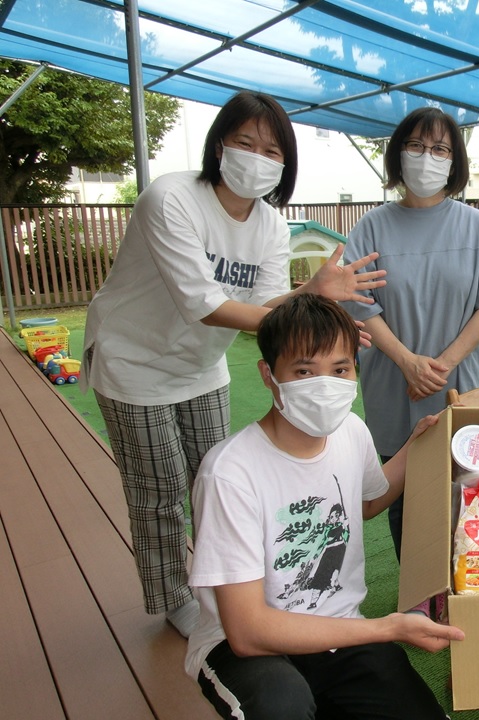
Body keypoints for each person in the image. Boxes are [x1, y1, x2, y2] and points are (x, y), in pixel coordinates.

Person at [81, 91, 386, 637]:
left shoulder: (270, 225)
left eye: (272, 150)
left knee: (214, 475)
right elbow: (205, 306)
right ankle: (176, 598)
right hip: (134, 361)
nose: (257, 157)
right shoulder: (170, 198)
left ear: (285, 164)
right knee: (159, 488)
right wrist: (309, 295)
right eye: (245, 142)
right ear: (219, 144)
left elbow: (268, 312)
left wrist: (311, 304)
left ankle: (234, 586)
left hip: (202, 367)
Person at [185, 293, 463, 720]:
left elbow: (367, 502)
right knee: (282, 704)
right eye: (303, 370)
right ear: (268, 374)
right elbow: (247, 632)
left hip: (339, 631)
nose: (325, 384)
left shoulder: (351, 430)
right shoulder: (229, 473)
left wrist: (416, 445)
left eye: (339, 369)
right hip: (246, 650)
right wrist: (387, 627)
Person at [342, 107, 479, 558]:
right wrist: (407, 361)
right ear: (398, 155)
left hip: (462, 383)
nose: (427, 157)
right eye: (416, 146)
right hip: (394, 386)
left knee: (472, 492)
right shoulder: (371, 227)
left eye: (439, 149)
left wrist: (442, 364)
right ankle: (419, 600)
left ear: (454, 161)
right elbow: (360, 305)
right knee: (405, 498)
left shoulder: (476, 225)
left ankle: (472, 594)